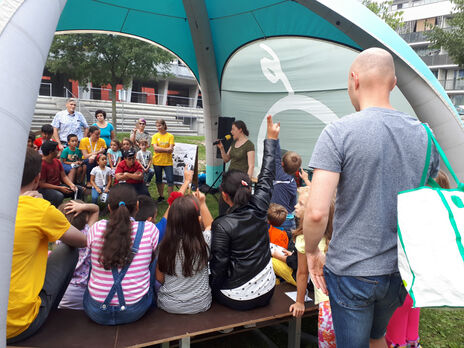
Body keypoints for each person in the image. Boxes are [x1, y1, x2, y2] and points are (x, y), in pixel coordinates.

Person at [303, 48, 439, 348]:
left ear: (354, 79)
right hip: (399, 272)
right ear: (393, 83)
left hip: (352, 271)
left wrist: (311, 251)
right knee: (378, 338)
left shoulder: (338, 132)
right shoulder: (425, 135)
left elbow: (315, 212)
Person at [7, 148, 86, 343]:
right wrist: (43, 207)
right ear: (37, 178)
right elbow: (82, 240)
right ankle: (49, 313)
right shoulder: (39, 209)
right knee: (67, 249)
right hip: (18, 325)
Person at [209, 115, 279, 310]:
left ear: (224, 196)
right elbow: (267, 174)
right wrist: (272, 140)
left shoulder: (222, 225)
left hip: (236, 296)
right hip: (267, 290)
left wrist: (211, 291)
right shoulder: (260, 205)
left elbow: (219, 266)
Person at [385, 169, 450, 348]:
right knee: (411, 326)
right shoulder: (443, 219)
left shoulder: (417, 219)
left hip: (403, 283)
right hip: (420, 285)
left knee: (396, 330)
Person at [83, 184, 159, 325]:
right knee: (154, 257)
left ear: (110, 208)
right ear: (137, 206)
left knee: (94, 258)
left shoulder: (97, 228)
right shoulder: (149, 230)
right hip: (135, 310)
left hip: (96, 311)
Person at [290, 186, 336, 348]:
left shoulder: (304, 239)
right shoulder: (339, 235)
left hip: (327, 308)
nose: (296, 206)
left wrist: (300, 302)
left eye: (301, 204)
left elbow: (302, 273)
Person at [156, 191, 214, 314]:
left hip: (169, 304)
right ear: (197, 220)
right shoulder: (204, 242)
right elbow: (210, 225)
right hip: (201, 303)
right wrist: (202, 203)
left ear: (171, 221)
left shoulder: (163, 247)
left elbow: (159, 278)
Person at [57, 200, 99, 310]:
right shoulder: (90, 233)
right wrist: (83, 206)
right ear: (86, 218)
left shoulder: (60, 238)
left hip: (65, 291)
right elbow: (96, 209)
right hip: (88, 292)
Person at [270, 140, 301, 241]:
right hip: (289, 221)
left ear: (282, 163)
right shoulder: (292, 184)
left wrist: (275, 138)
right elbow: (292, 205)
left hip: (276, 220)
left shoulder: (279, 174)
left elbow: (276, 154)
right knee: (286, 249)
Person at [38, 140, 82, 207]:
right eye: (56, 150)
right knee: (59, 196)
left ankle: (75, 209)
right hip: (45, 189)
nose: (58, 151)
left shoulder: (57, 161)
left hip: (58, 187)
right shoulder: (42, 164)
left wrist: (71, 184)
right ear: (51, 152)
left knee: (78, 189)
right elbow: (41, 184)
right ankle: (56, 213)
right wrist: (59, 188)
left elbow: (64, 176)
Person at [151, 119, 175, 202]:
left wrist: (160, 149)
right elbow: (155, 148)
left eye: (160, 125)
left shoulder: (170, 136)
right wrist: (166, 149)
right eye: (157, 126)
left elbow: (171, 149)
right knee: (158, 179)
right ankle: (161, 196)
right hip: (157, 161)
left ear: (164, 125)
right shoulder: (155, 136)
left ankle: (170, 198)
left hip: (168, 162)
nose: (158, 127)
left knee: (170, 180)